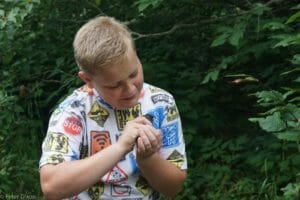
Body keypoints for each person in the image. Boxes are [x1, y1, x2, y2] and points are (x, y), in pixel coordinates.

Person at [39, 16, 187, 200]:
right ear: (88, 80)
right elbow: (51, 186)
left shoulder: (161, 104)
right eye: (114, 85)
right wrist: (121, 147)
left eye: (134, 74)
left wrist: (148, 159)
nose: (130, 89)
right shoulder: (73, 111)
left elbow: (173, 187)